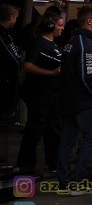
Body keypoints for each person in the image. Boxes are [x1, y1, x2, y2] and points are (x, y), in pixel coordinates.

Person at [57, 5, 92, 193]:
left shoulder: (71, 41)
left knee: (67, 141)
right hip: (84, 102)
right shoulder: (86, 43)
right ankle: (79, 182)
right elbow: (88, 76)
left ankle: (64, 182)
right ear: (89, 21)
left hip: (69, 100)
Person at [16, 13, 64, 175]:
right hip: (40, 94)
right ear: (50, 26)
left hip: (53, 94)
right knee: (35, 129)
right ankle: (26, 165)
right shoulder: (39, 44)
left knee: (53, 129)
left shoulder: (54, 45)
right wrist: (50, 73)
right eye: (59, 25)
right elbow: (28, 66)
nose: (62, 28)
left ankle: (53, 163)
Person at [1, 4, 20, 123]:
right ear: (10, 17)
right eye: (16, 18)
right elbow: (13, 56)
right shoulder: (3, 35)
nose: (15, 21)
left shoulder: (5, 34)